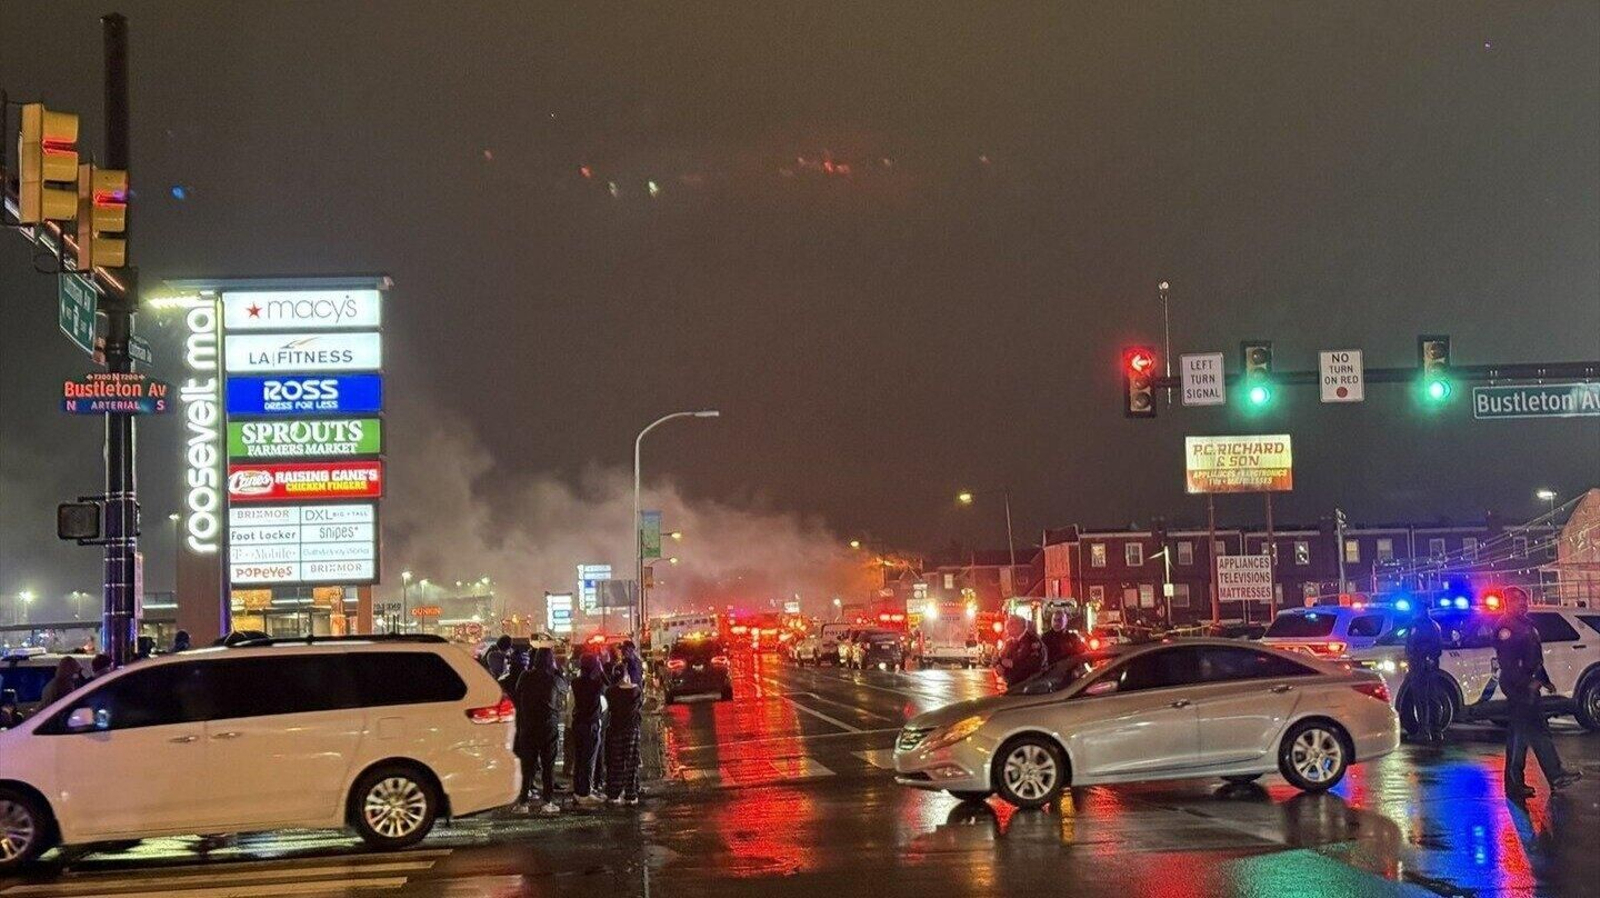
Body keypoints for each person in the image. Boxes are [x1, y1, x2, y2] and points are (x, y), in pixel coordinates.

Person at [1495, 587, 1581, 798]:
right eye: (1518, 601)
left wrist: (1544, 681)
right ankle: (1546, 777)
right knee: (1528, 733)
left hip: (1530, 685)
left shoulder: (1526, 625)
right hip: (1517, 687)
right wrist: (1528, 682)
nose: (1523, 604)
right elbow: (1508, 664)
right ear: (1507, 602)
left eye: (1525, 600)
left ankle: (1534, 780)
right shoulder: (1506, 627)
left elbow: (1535, 658)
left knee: (1527, 732)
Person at [512, 646, 568, 814]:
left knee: (527, 765)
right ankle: (547, 801)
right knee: (547, 765)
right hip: (548, 726)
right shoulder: (554, 678)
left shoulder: (525, 676)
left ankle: (522, 802)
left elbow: (517, 692)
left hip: (528, 726)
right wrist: (557, 671)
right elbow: (564, 689)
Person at [603, 651, 644, 805]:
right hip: (632, 729)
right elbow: (639, 705)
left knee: (616, 761)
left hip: (615, 728)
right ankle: (631, 793)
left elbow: (609, 708)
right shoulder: (635, 690)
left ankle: (614, 793)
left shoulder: (610, 692)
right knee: (631, 761)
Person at [569, 652, 608, 805]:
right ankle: (585, 791)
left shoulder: (575, 683)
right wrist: (601, 667)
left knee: (579, 758)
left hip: (578, 723)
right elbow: (608, 684)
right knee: (589, 759)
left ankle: (578, 791)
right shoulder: (596, 684)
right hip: (591, 724)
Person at [1403, 605, 1445, 743]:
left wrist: (1420, 660)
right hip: (1429, 666)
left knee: (1422, 700)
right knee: (1432, 699)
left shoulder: (1420, 626)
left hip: (1421, 667)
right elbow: (1437, 647)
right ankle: (1436, 732)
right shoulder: (1433, 625)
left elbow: (1415, 646)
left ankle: (1424, 732)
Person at [996, 616, 1047, 688]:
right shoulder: (1010, 642)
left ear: (1019, 626)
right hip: (1013, 686)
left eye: (1011, 623)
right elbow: (1001, 659)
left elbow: (1034, 665)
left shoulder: (1032, 642)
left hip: (1029, 688)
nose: (1007, 626)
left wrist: (1013, 664)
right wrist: (999, 666)